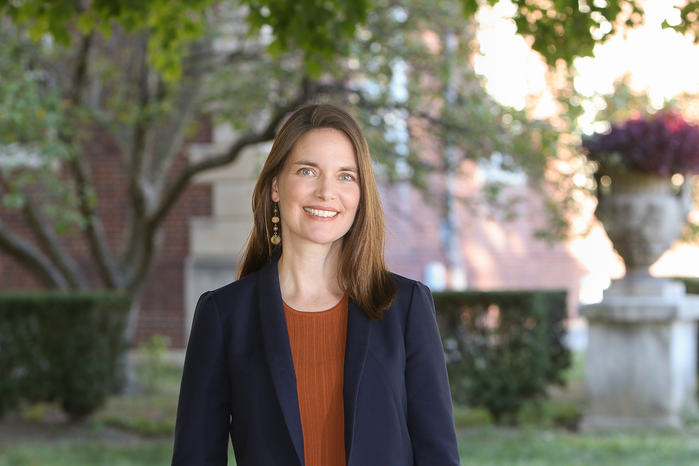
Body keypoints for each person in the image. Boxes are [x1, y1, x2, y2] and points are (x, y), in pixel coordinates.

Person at [171, 103, 460, 466]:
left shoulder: (406, 307)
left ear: (360, 194)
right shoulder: (224, 315)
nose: (326, 192)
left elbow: (439, 455)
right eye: (308, 171)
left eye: (345, 176)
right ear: (275, 186)